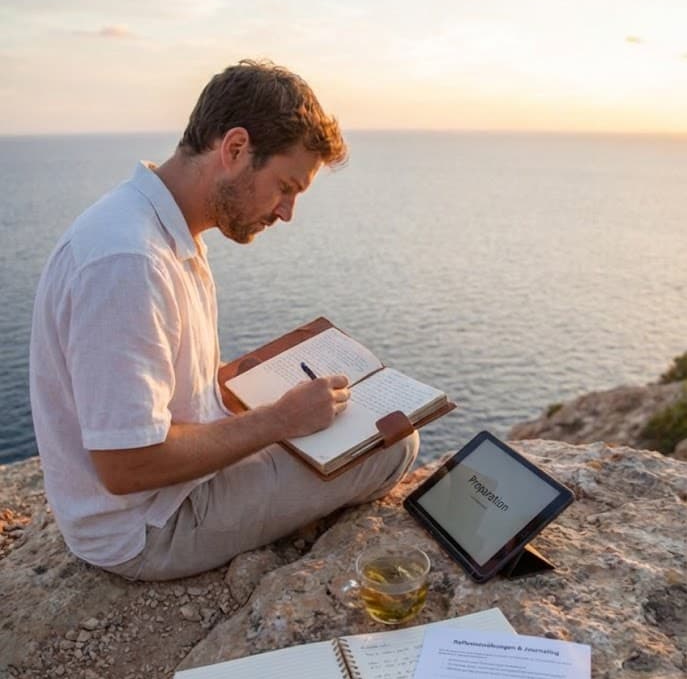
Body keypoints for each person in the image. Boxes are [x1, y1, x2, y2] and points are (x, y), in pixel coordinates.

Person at [30, 60, 419, 581]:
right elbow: (126, 467)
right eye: (286, 186)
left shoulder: (159, 227)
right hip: (148, 527)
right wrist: (280, 420)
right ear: (234, 150)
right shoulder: (130, 263)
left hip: (164, 493)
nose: (287, 212)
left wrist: (264, 393)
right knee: (391, 446)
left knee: (351, 424)